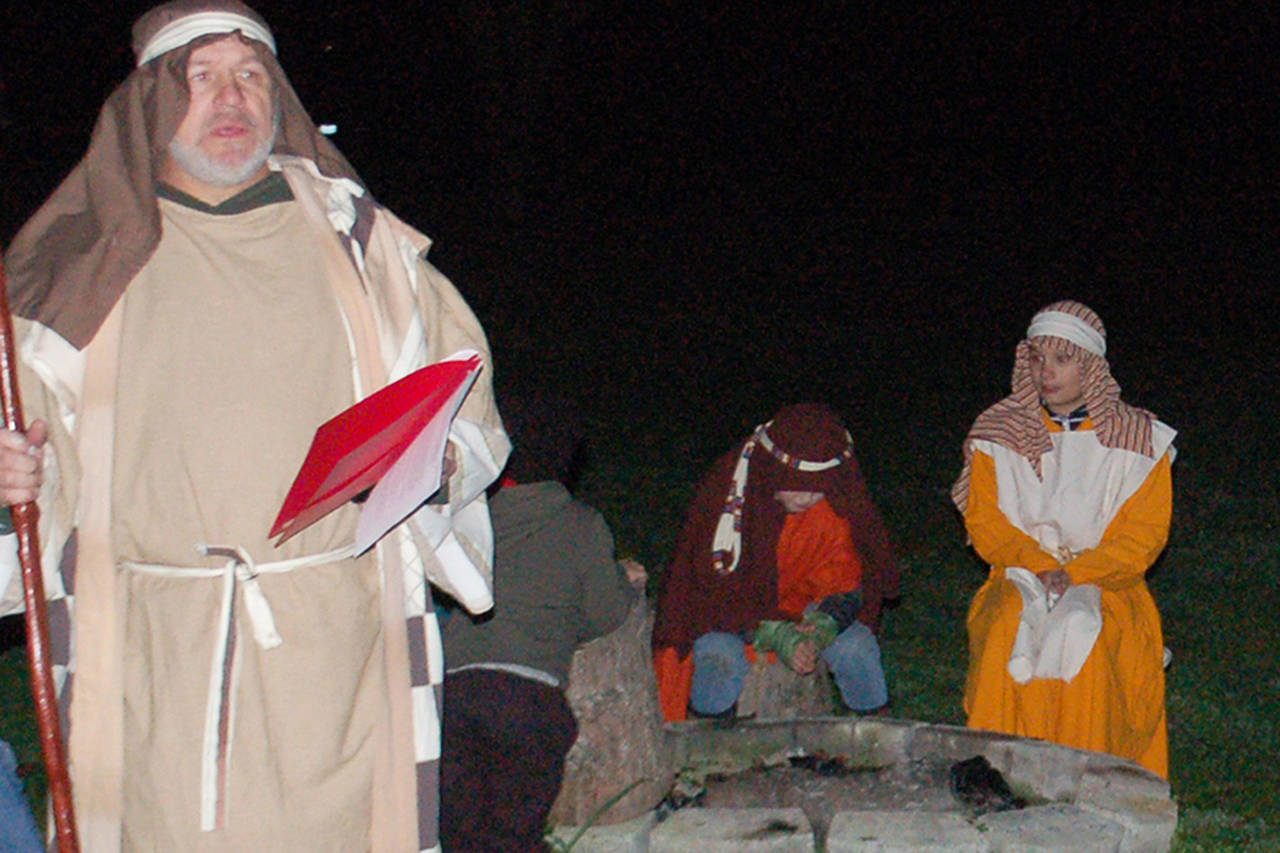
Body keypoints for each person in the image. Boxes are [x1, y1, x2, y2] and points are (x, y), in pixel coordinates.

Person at [0, 2, 509, 849]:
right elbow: (29, 450)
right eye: (201, 79)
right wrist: (11, 474)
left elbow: (462, 397)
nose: (230, 99)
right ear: (154, 101)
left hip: (332, 641)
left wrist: (436, 462)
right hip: (155, 650)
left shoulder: (359, 245)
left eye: (250, 76)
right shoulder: (85, 266)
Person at [953, 299, 1175, 778]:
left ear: (1089, 366)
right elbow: (987, 523)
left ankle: (1089, 785)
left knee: (1085, 639)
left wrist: (1077, 573)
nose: (1045, 373)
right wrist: (1036, 564)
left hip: (1108, 582)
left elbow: (1143, 537)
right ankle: (997, 778)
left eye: (1061, 359)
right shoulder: (998, 434)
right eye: (1036, 359)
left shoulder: (1138, 441)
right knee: (1005, 631)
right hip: (1020, 573)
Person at [438, 393, 644, 851]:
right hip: (527, 701)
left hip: (452, 696)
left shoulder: (469, 517)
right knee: (516, 832)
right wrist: (625, 584)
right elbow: (606, 613)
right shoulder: (580, 523)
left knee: (461, 832)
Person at [652, 403, 901, 721]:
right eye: (798, 485)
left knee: (857, 648)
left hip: (805, 612)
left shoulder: (826, 514)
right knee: (717, 656)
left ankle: (875, 737)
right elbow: (711, 598)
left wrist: (824, 623)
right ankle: (709, 745)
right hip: (735, 620)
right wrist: (777, 635)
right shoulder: (730, 507)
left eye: (818, 490)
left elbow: (843, 579)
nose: (807, 498)